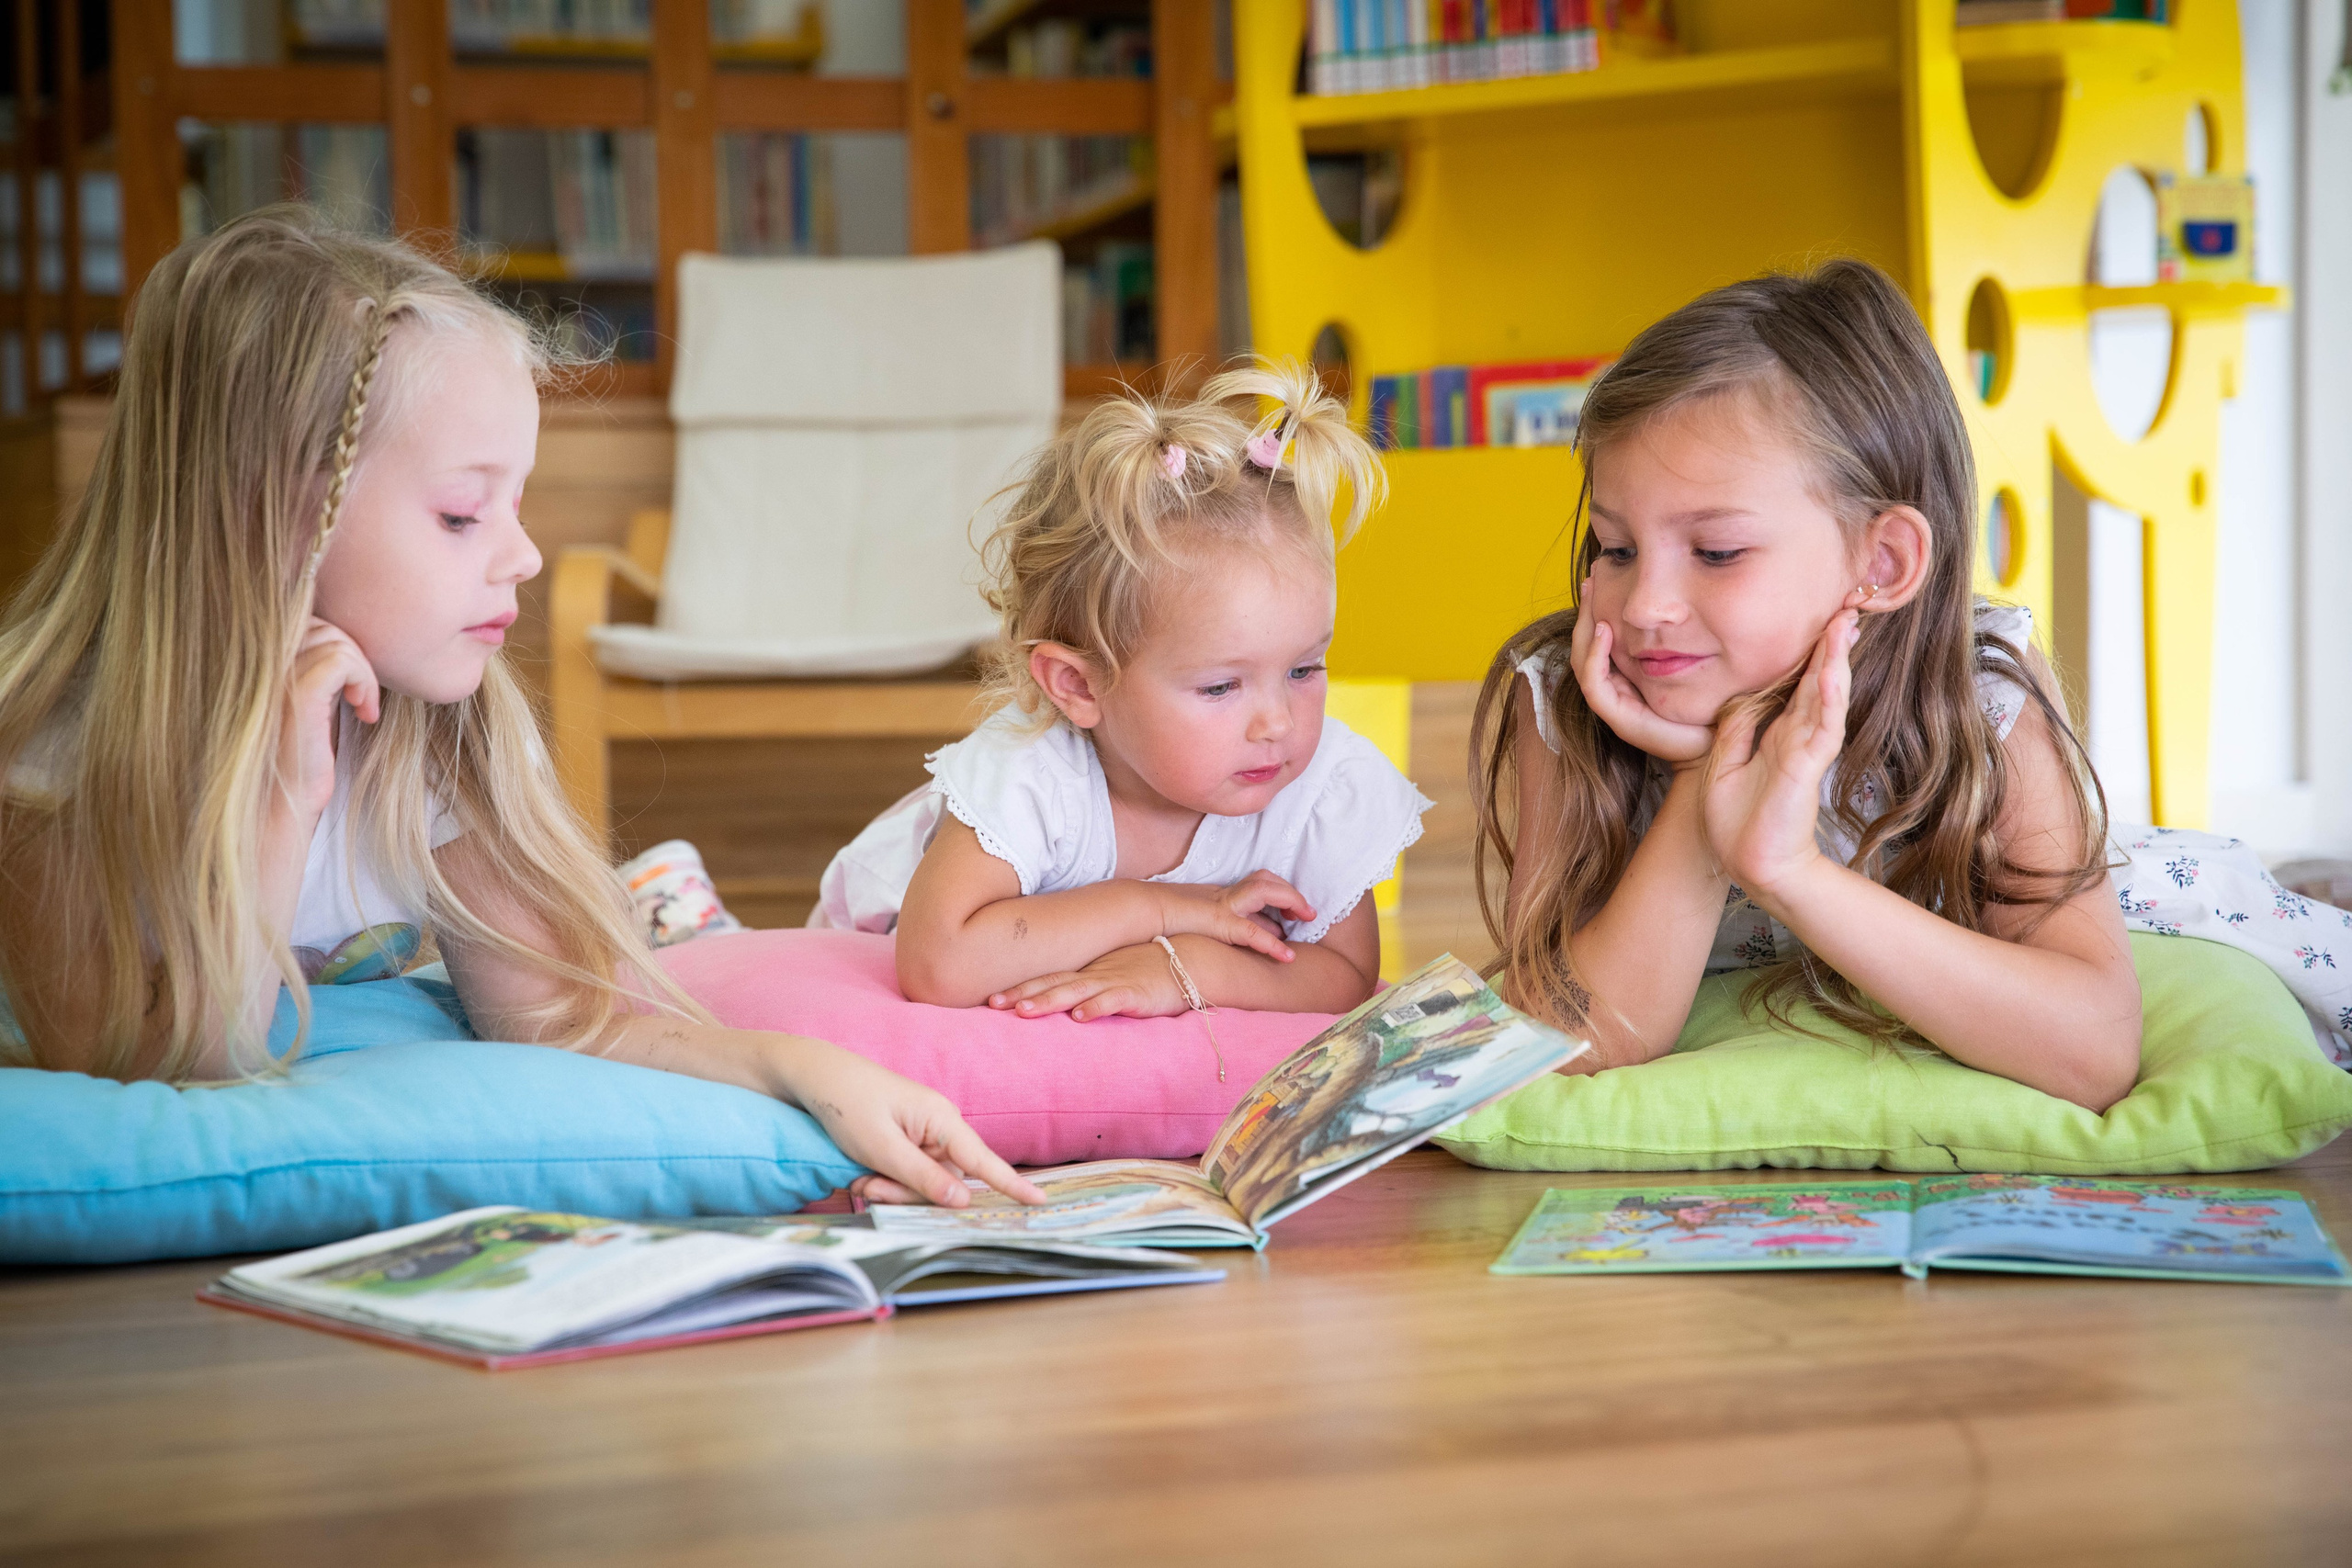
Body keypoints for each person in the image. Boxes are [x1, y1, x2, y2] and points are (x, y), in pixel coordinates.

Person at [0, 207, 1041, 1209]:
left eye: (518, 499)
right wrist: (284, 794)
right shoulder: (52, 746)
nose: (525, 554)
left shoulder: (445, 732)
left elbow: (558, 1021)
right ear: (271, 512)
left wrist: (801, 1069)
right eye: (462, 512)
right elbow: (164, 1092)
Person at [1476, 258, 2350, 1111]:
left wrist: (1789, 869)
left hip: (2143, 895)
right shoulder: (1564, 697)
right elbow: (1569, 1042)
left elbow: (2094, 1050)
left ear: (1881, 561)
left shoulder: (1980, 687)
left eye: (1716, 552)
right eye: (1617, 548)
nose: (1645, 605)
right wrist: (1703, 788)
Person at [812, 361, 1429, 1021]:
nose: (1277, 721)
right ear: (1079, 685)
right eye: (1221, 685)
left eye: (1305, 669)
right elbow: (937, 963)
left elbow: (1347, 972)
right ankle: (690, 904)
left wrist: (1185, 964)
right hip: (870, 923)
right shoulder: (1034, 776)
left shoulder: (1318, 786)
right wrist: (1164, 910)